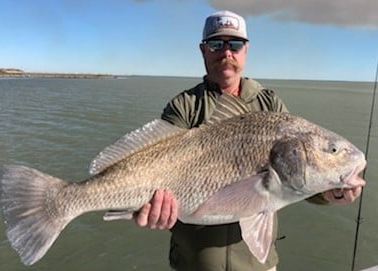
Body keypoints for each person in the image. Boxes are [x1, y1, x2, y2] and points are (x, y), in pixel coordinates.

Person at [133, 10, 364, 271]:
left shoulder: (270, 105)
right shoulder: (184, 106)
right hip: (193, 263)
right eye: (216, 44)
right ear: (203, 50)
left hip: (258, 265)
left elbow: (297, 178)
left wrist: (329, 193)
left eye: (235, 44)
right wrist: (146, 208)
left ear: (246, 49)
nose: (226, 52)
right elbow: (149, 168)